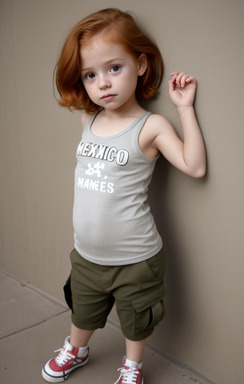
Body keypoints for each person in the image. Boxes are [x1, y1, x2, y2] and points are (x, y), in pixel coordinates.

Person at [42, 7, 206, 384]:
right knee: (82, 310)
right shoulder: (90, 120)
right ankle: (76, 349)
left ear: (141, 64)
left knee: (136, 318)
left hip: (136, 258)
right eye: (90, 74)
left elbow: (194, 167)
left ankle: (132, 367)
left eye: (114, 68)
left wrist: (184, 109)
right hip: (86, 253)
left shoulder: (150, 126)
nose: (103, 83)